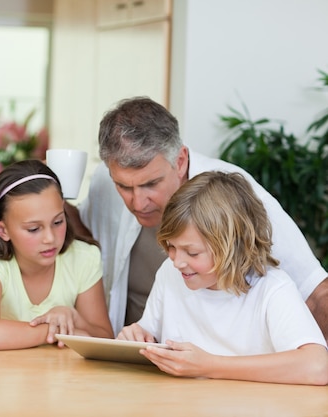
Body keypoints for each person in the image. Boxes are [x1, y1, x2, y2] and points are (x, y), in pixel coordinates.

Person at [68, 96, 328, 337]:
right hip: (140, 357)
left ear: (180, 161)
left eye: (151, 184)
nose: (137, 202)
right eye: (124, 187)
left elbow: (316, 292)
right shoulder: (104, 182)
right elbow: (82, 238)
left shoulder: (233, 196)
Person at [117, 171, 328, 385]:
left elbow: (318, 366)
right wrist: (137, 337)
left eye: (192, 253)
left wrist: (210, 365)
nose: (177, 261)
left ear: (233, 247)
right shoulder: (170, 274)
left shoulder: (272, 289)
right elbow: (148, 335)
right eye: (171, 247)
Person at [0, 159, 114, 351]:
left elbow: (105, 338)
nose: (50, 238)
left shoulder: (84, 258)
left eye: (58, 222)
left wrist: (75, 318)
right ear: (2, 230)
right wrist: (54, 332)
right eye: (34, 229)